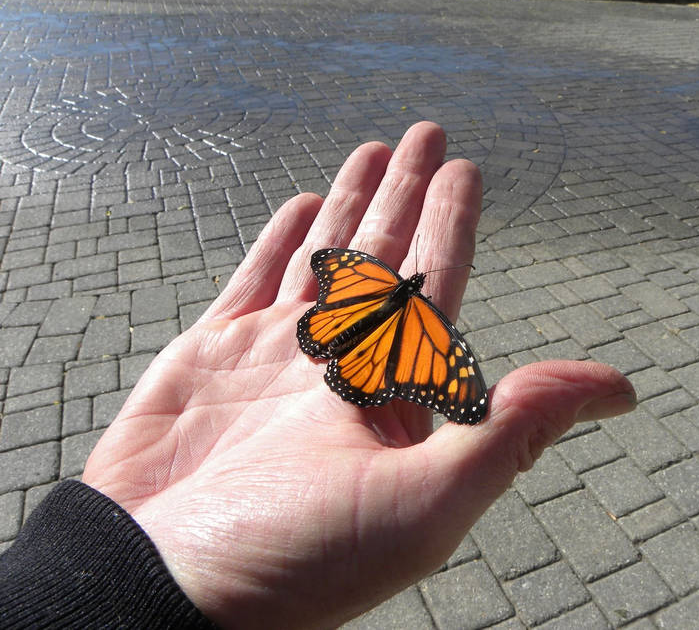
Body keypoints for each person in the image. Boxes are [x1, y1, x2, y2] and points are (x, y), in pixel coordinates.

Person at [0, 122, 636, 628]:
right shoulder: (432, 337)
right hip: (377, 353)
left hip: (338, 334)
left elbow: (344, 273)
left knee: (348, 340)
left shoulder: (370, 279)